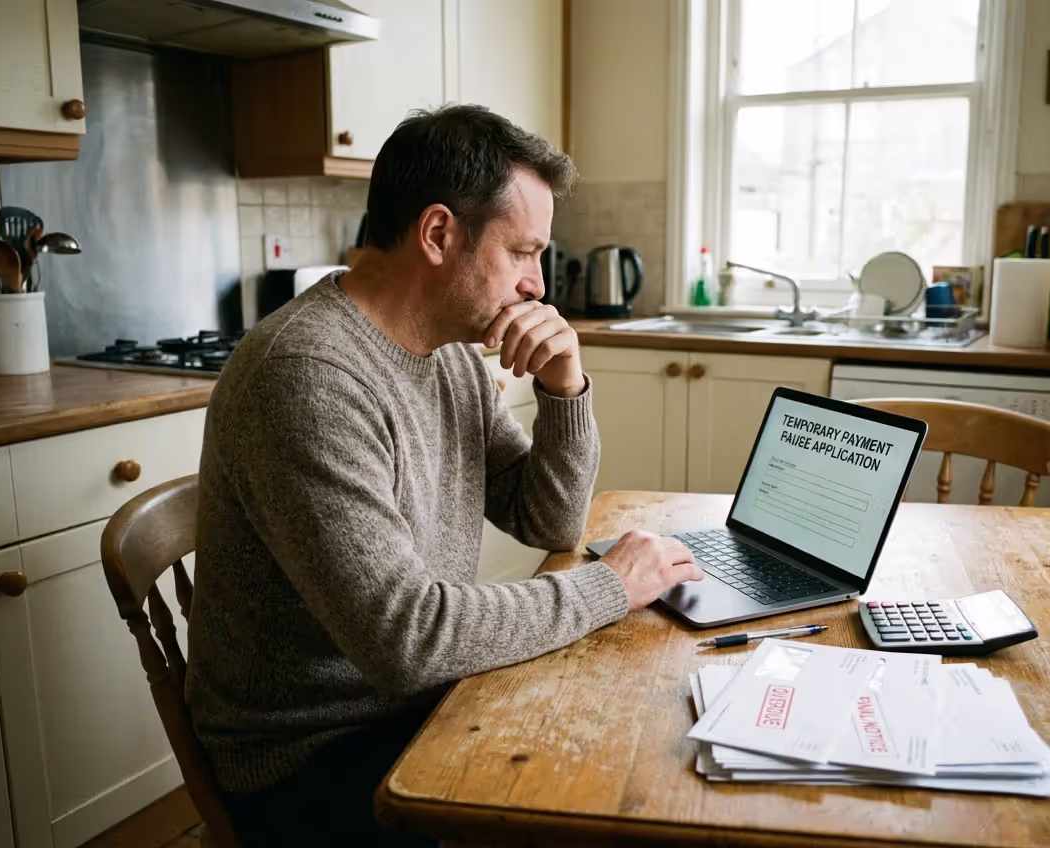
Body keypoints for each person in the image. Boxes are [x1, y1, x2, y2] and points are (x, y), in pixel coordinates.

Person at [184, 104, 704, 846]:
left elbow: (545, 520)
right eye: (524, 252)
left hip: (411, 702)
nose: (536, 285)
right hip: (308, 757)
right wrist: (610, 587)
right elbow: (409, 639)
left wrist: (564, 388)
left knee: (640, 750)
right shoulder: (307, 376)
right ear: (437, 235)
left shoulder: (450, 350)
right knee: (600, 808)